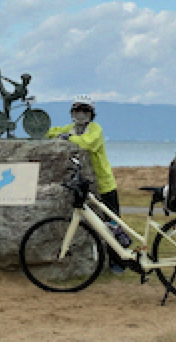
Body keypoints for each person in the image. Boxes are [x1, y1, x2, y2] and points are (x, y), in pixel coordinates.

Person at [45, 95, 126, 274]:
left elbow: (88, 142)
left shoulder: (95, 129)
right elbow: (51, 132)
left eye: (84, 110)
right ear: (72, 113)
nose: (80, 114)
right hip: (85, 185)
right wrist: (57, 134)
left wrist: (67, 138)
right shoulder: (70, 129)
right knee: (93, 224)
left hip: (104, 184)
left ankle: (119, 260)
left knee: (112, 224)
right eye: (77, 110)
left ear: (91, 114)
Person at [0, 53, 31, 122]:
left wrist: (29, 100)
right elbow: (11, 82)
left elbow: (23, 99)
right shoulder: (20, 87)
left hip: (10, 98)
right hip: (7, 97)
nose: (27, 82)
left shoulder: (25, 91)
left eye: (27, 81)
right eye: (26, 80)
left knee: (8, 117)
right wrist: (4, 78)